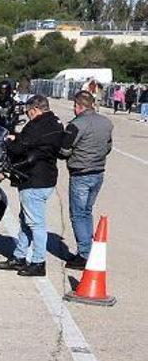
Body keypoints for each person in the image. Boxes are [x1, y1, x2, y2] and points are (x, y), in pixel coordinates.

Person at [0, 95, 65, 277]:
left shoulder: (36, 125)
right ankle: (19, 256)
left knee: (36, 224)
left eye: (28, 112)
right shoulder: (56, 122)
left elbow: (18, 148)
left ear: (35, 110)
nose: (27, 115)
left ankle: (38, 262)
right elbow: (38, 143)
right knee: (26, 220)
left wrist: (10, 141)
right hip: (47, 177)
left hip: (34, 179)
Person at [64, 90, 113, 268]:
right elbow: (108, 147)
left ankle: (85, 254)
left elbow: (64, 150)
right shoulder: (106, 122)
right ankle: (88, 248)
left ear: (77, 106)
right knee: (86, 212)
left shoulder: (76, 124)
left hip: (81, 173)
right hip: (98, 172)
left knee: (78, 214)